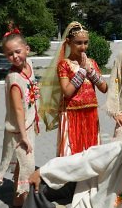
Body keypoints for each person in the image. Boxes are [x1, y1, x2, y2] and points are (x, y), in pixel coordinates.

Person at [39, 22, 107, 156]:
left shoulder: (91, 62)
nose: (83, 47)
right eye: (79, 43)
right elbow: (67, 91)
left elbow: (104, 88)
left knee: (91, 152)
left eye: (86, 42)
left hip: (90, 112)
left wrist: (91, 72)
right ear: (69, 42)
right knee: (70, 151)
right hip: (71, 113)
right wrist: (82, 71)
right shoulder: (64, 64)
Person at [0, 30, 39, 207]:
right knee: (28, 165)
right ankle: (26, 203)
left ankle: (17, 199)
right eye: (9, 54)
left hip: (29, 125)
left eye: (17, 51)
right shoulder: (14, 78)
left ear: (27, 49)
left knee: (22, 164)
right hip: (20, 130)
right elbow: (18, 109)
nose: (15, 56)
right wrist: (23, 136)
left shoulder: (29, 64)